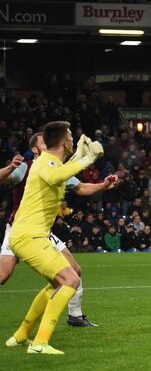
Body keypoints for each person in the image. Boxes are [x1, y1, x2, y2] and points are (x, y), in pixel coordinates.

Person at [5, 121, 102, 354]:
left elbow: (61, 173)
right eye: (70, 136)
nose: (72, 139)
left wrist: (79, 156)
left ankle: (20, 335)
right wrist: (85, 160)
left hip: (31, 234)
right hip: (30, 236)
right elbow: (53, 175)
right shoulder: (45, 162)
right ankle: (40, 343)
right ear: (63, 141)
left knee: (58, 282)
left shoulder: (52, 163)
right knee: (71, 280)